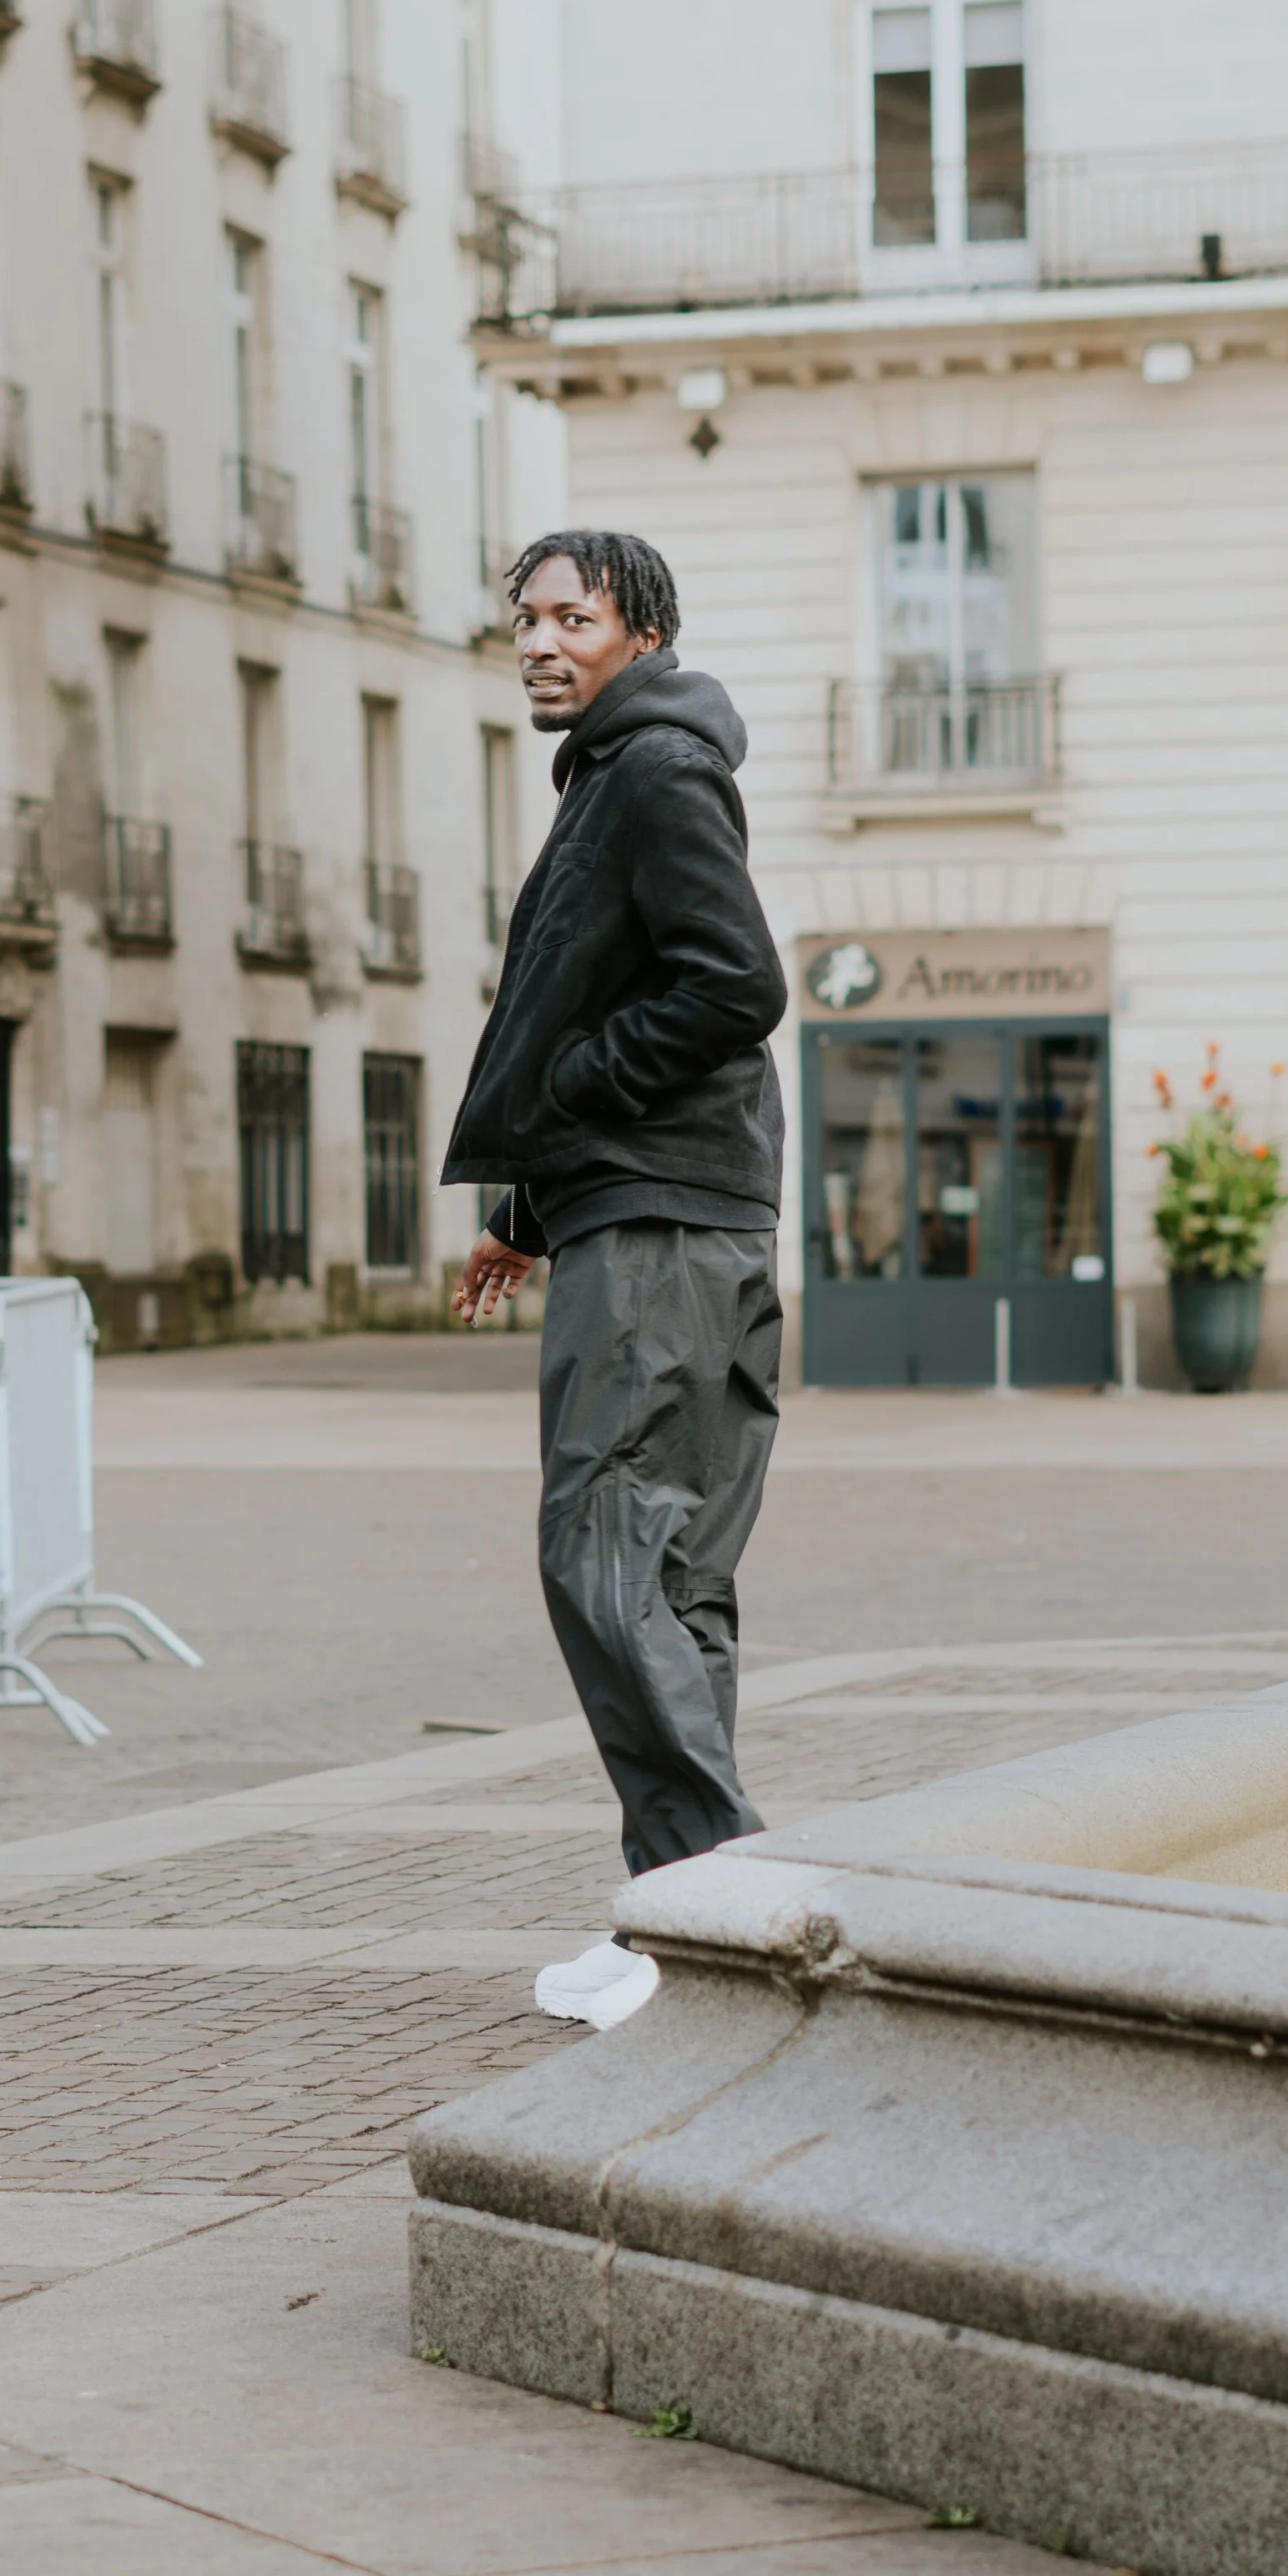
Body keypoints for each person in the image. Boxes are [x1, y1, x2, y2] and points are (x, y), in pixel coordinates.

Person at [446, 528, 788, 2032]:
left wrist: (574, 1091)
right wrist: (528, 1204)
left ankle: (726, 1903)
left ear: (641, 632)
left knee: (601, 1548)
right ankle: (678, 1923)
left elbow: (734, 983)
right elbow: (641, 985)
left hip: (658, 1238)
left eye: (571, 616)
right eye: (525, 618)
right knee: (675, 1578)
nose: (539, 640)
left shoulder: (651, 771)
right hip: (682, 1218)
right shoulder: (627, 768)